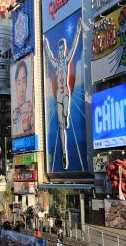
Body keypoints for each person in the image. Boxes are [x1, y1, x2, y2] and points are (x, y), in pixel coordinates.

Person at [44, 18, 82, 170]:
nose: (60, 52)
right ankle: (64, 153)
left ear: (63, 51)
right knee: (61, 127)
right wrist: (46, 44)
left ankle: (66, 116)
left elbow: (73, 47)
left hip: (65, 94)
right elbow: (48, 54)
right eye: (59, 50)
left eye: (62, 50)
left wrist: (78, 30)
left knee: (65, 119)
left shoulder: (65, 61)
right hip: (58, 98)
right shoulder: (55, 63)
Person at [12, 59, 34, 135]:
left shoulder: (31, 107)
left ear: (27, 82)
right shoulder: (14, 112)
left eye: (24, 82)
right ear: (15, 84)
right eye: (18, 83)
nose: (21, 89)